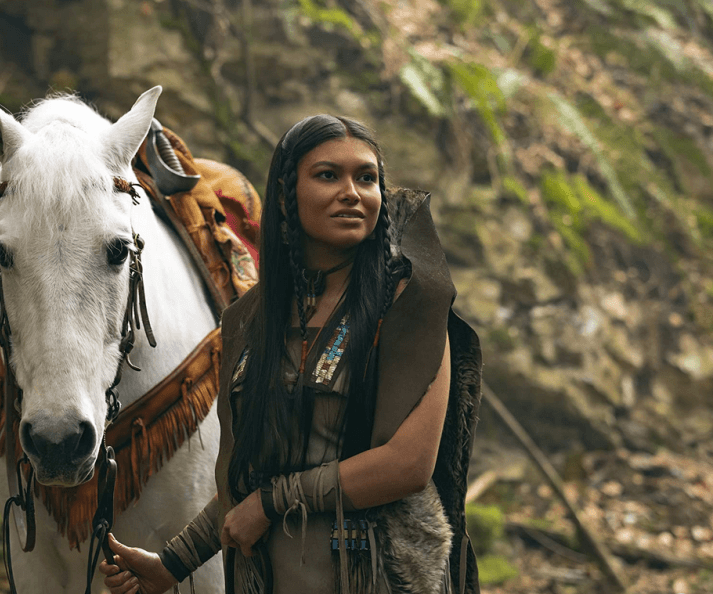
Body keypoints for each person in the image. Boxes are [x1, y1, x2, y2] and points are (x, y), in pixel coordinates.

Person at [99, 115, 483, 594]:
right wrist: (173, 563)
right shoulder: (249, 321)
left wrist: (274, 501)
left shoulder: (411, 306)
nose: (352, 192)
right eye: (328, 175)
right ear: (286, 194)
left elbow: (407, 465)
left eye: (366, 178)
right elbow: (247, 476)